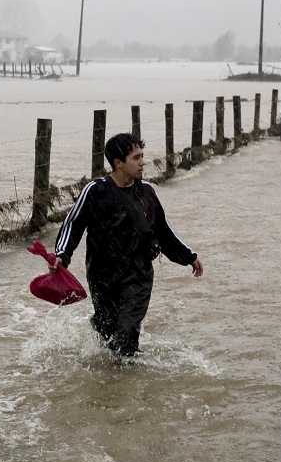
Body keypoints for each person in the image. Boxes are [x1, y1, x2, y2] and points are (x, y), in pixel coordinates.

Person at [51, 133, 203, 357]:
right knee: (107, 331)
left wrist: (188, 256)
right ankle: (112, 377)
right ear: (118, 163)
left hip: (138, 273)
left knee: (126, 335)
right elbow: (73, 224)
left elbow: (163, 230)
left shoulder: (147, 192)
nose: (142, 162)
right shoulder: (96, 191)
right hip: (102, 274)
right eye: (136, 158)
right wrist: (62, 255)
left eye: (142, 156)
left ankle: (127, 384)